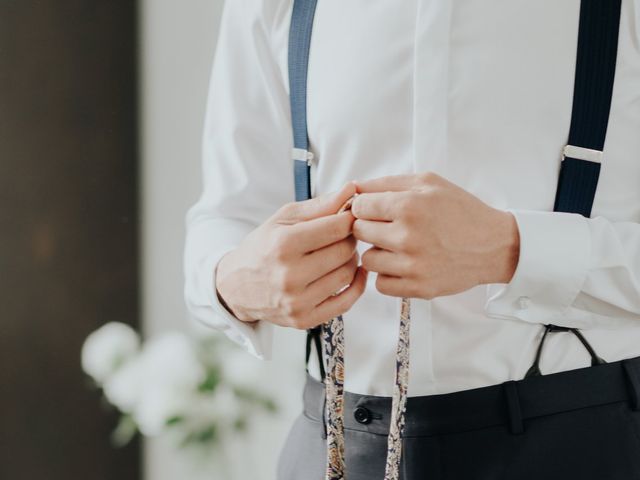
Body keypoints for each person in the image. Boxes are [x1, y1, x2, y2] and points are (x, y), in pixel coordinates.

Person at [183, 0, 640, 478]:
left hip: (581, 441)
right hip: (329, 446)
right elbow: (226, 213)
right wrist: (230, 282)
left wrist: (512, 249)